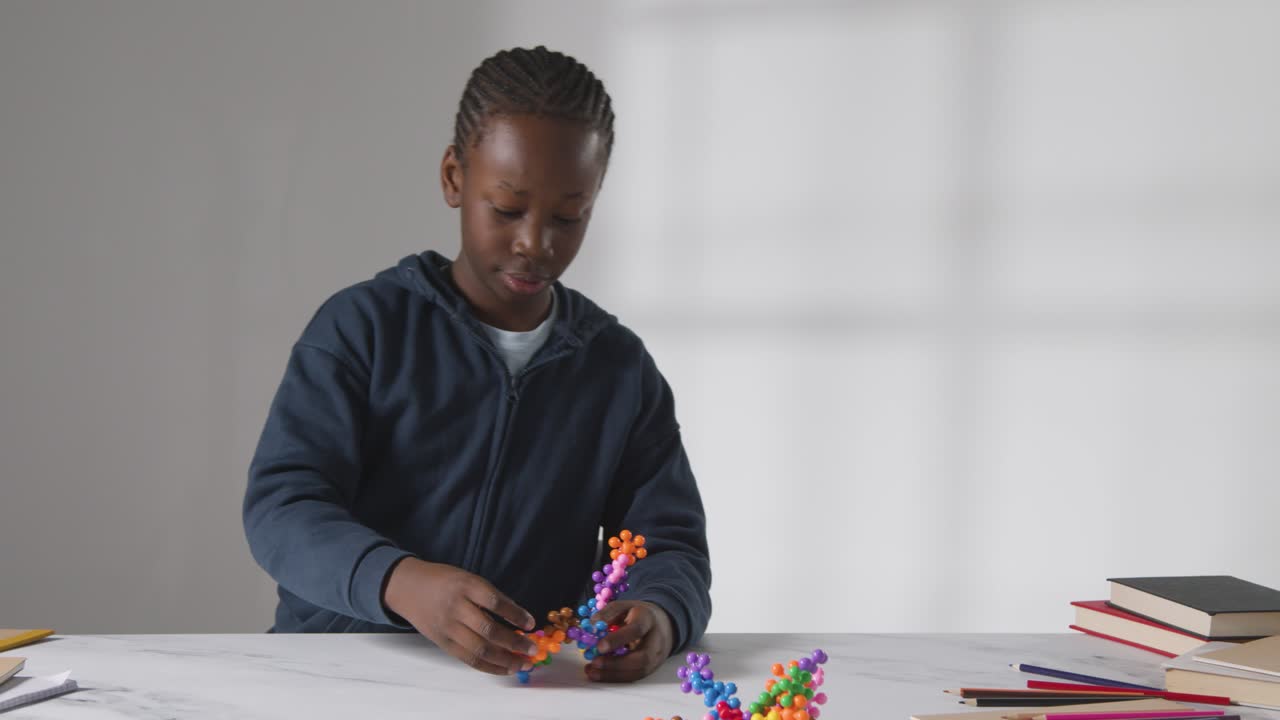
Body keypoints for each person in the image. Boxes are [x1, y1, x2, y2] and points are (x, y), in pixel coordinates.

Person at [242, 45, 711, 684]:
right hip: (336, 675)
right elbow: (282, 508)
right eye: (508, 208)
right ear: (454, 178)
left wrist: (659, 612)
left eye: (568, 216)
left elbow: (669, 542)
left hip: (517, 688)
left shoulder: (618, 371)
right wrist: (399, 581)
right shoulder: (363, 329)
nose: (535, 242)